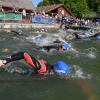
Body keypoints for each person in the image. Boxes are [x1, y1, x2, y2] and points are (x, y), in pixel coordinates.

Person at [0, 52, 71, 76]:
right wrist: (4, 61)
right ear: (56, 71)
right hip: (23, 70)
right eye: (62, 74)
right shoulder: (42, 68)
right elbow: (24, 54)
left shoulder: (50, 67)